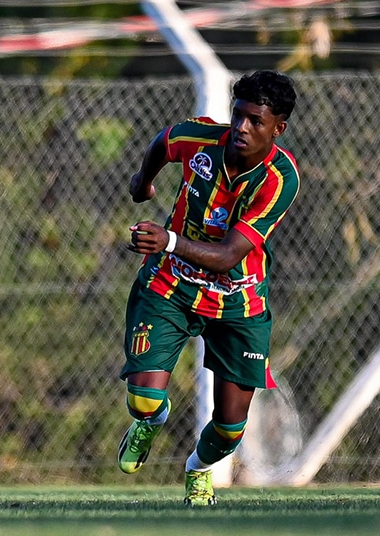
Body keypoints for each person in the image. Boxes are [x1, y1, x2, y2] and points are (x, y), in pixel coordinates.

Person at [116, 70, 299, 506]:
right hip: (170, 286)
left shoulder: (279, 180)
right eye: (238, 116)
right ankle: (150, 420)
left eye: (255, 120)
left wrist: (170, 241)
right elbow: (165, 141)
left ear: (278, 128)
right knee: (142, 399)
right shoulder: (201, 139)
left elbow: (228, 256)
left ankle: (198, 470)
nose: (241, 127)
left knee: (231, 425)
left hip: (239, 301)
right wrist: (144, 180)